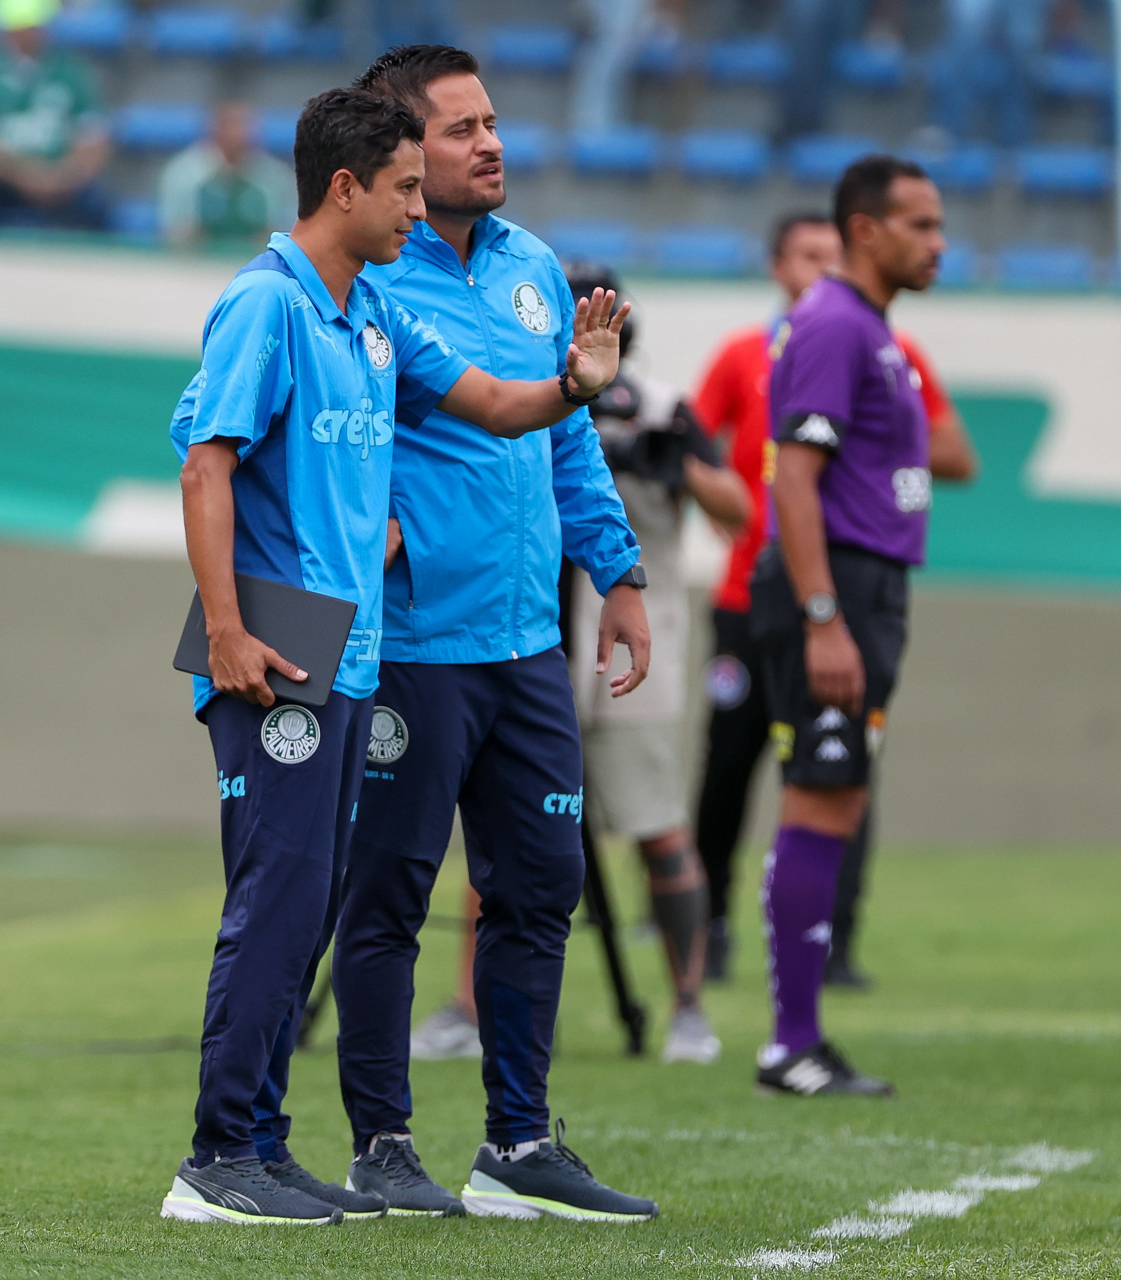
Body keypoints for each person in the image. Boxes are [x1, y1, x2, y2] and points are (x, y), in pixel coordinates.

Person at [160, 85, 631, 1225]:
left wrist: (576, 383)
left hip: (349, 641)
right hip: (276, 631)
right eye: (405, 189)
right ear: (344, 188)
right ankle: (216, 1157)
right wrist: (224, 628)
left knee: (310, 899)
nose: (419, 212)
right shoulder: (266, 302)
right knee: (279, 896)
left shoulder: (369, 311)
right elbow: (205, 465)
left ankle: (264, 1148)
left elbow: (494, 405)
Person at [330, 45, 659, 1223]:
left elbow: (567, 435)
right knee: (389, 895)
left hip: (525, 644)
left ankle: (518, 1141)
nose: (489, 143)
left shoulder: (532, 267)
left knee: (541, 885)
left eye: (491, 122)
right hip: (415, 644)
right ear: (402, 149)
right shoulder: (370, 276)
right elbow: (332, 434)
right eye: (460, 128)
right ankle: (380, 1145)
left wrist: (617, 571)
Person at [692, 211, 974, 987]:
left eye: (830, 254)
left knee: (841, 769)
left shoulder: (887, 352)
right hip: (747, 594)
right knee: (727, 764)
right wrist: (719, 499)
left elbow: (956, 452)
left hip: (838, 590)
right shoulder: (741, 355)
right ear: (775, 266)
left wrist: (865, 440)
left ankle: (833, 943)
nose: (819, 268)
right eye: (804, 255)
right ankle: (706, 925)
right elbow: (689, 445)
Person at [751, 155, 944, 1097]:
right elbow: (793, 477)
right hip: (835, 588)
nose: (938, 243)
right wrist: (823, 617)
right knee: (819, 799)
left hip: (868, 588)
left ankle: (799, 1039)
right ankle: (790, 1044)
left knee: (837, 799)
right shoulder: (833, 324)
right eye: (920, 225)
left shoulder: (872, 329)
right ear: (864, 229)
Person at [565, 264, 748, 1064]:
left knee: (657, 828)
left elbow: (738, 510)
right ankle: (469, 1008)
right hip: (538, 632)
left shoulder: (665, 407)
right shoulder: (520, 397)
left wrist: (673, 462)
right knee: (506, 831)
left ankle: (687, 1006)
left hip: (639, 641)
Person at [0, 0, 110, 229]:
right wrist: (27, 177)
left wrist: (62, 176)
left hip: (64, 180)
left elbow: (94, 137)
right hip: (7, 180)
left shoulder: (71, 71)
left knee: (96, 205)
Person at [158, 101, 296, 249]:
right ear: (215, 128)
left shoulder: (276, 176)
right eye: (233, 125)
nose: (241, 133)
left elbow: (286, 231)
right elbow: (175, 232)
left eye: (246, 125)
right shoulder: (183, 174)